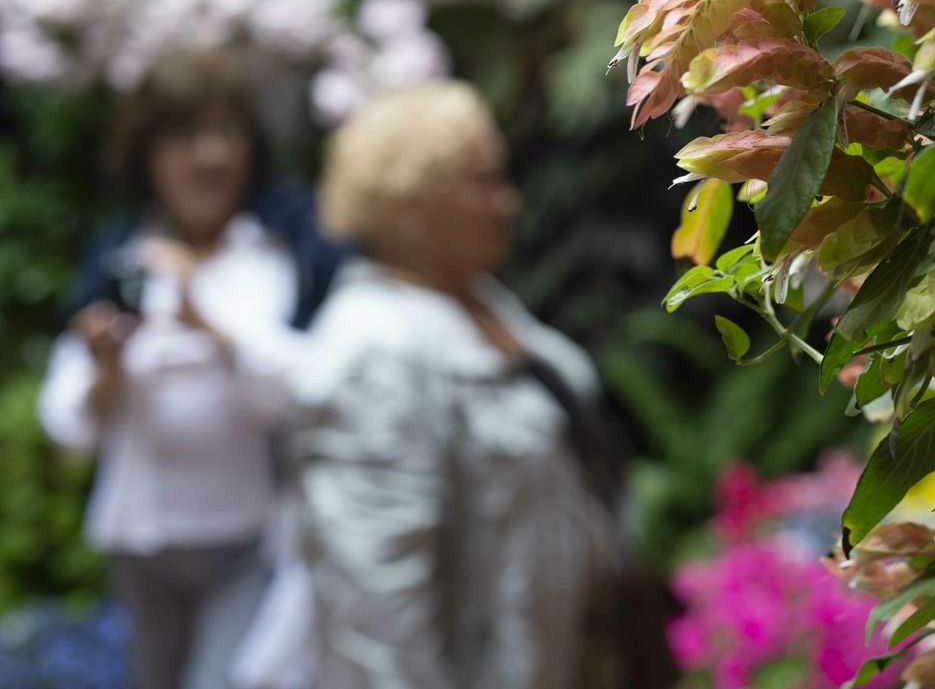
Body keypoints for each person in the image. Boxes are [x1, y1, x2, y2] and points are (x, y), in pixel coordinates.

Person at [294, 81, 624, 689]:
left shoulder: (479, 300)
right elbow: (375, 609)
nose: (508, 202)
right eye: (484, 182)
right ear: (413, 204)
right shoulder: (373, 352)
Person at [37, 49, 343, 689]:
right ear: (149, 155)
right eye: (185, 137)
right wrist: (106, 372)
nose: (211, 155)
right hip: (141, 539)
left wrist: (210, 324)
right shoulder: (119, 258)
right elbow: (68, 423)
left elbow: (312, 387)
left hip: (247, 540)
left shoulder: (280, 253)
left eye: (225, 132)